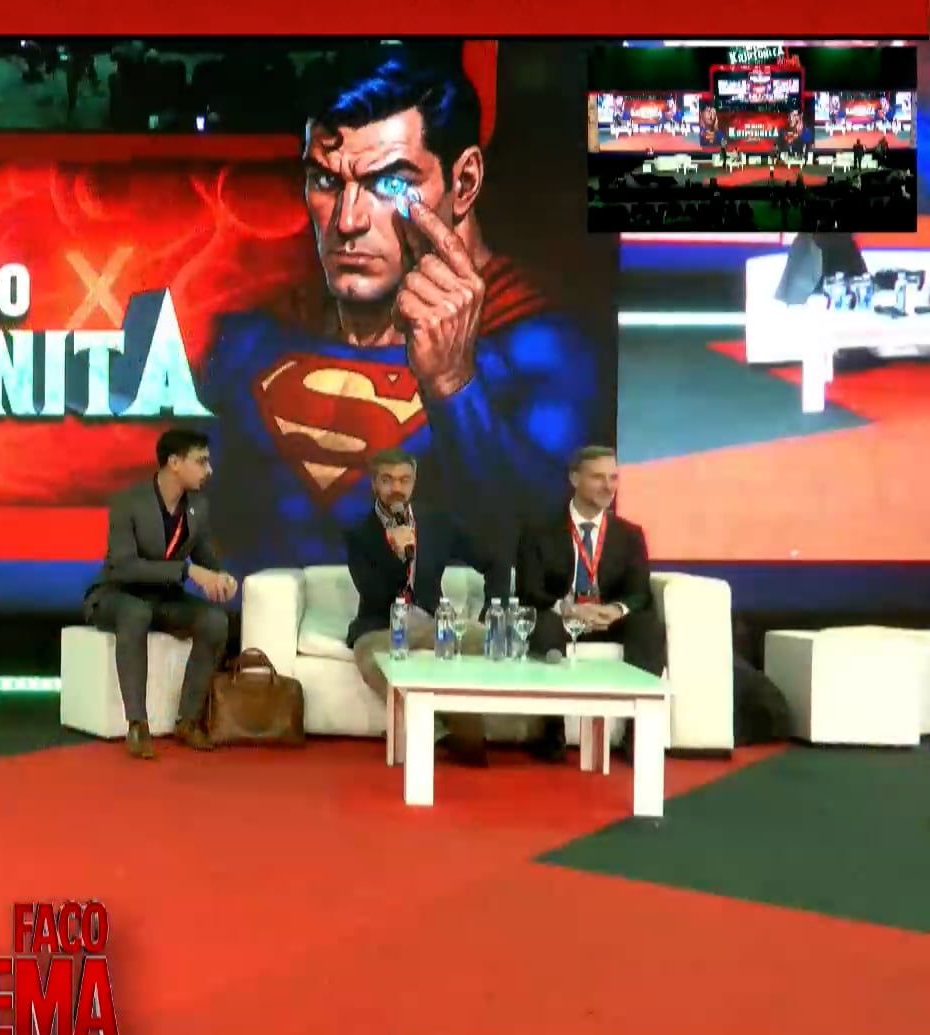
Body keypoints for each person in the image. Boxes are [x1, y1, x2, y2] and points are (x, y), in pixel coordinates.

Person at [204, 44, 601, 574]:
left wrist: (455, 386)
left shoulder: (538, 345)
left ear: (464, 183)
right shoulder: (257, 337)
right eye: (326, 181)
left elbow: (542, 555)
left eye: (390, 183)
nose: (348, 221)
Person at [81, 429, 236, 760]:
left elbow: (207, 559)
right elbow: (124, 566)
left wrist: (222, 578)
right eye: (201, 462)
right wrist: (187, 571)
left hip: (164, 599)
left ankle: (188, 720)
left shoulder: (197, 507)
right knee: (136, 612)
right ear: (174, 463)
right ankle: (137, 724)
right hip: (117, 595)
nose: (209, 470)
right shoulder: (128, 502)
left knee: (214, 621)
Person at [344, 448, 505, 764]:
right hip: (383, 627)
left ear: (414, 482)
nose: (396, 488)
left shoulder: (438, 523)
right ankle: (434, 732)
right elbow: (374, 593)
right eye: (387, 480)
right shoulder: (359, 534)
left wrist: (491, 613)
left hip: (434, 622)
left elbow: (495, 562)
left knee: (488, 640)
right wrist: (396, 553)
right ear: (374, 484)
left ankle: (472, 727)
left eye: (404, 480)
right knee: (368, 654)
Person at [515, 445, 666, 762]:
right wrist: (567, 608)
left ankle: (637, 732)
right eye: (598, 477)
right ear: (574, 478)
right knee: (543, 625)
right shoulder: (539, 530)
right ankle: (552, 730)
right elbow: (529, 590)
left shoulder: (629, 535)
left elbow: (639, 592)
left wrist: (615, 610)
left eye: (613, 477)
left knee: (648, 627)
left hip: (608, 619)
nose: (608, 486)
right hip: (563, 616)